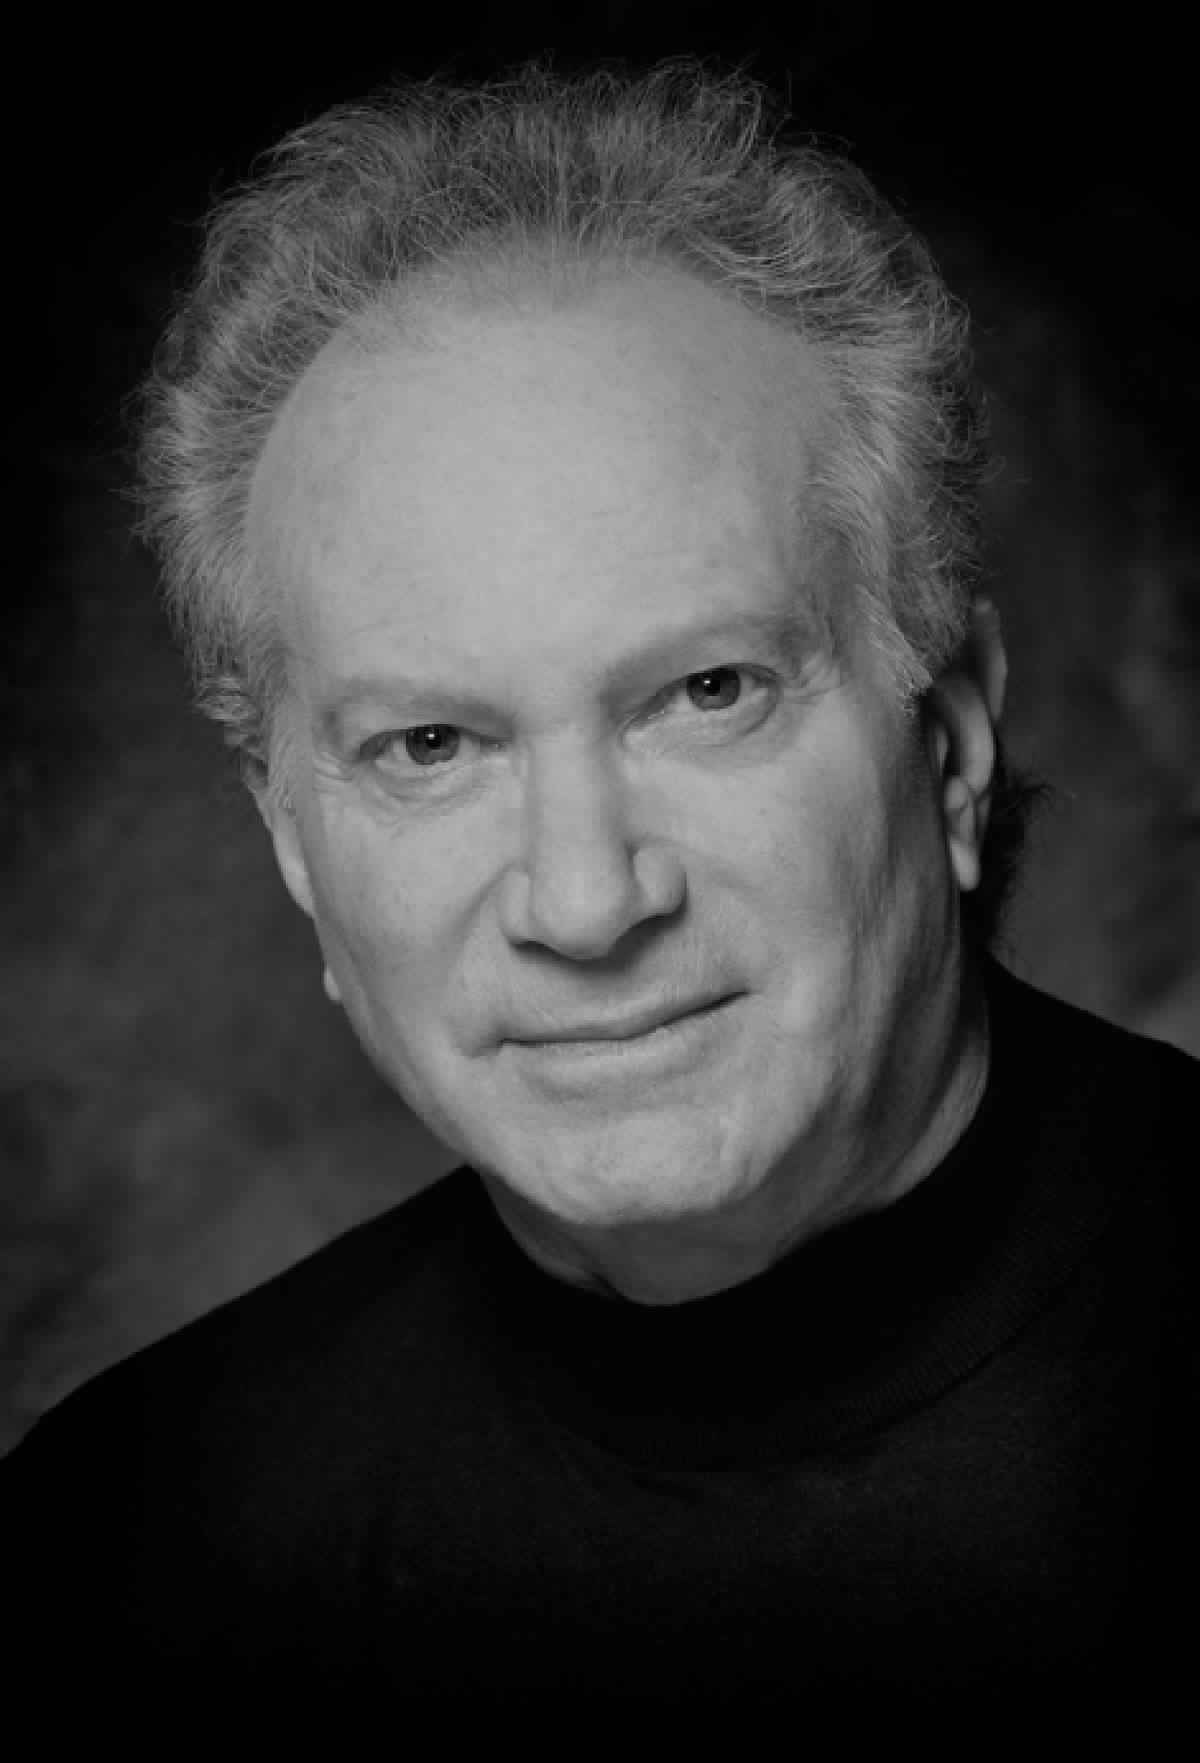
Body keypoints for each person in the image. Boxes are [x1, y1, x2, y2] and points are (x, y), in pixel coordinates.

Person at [5, 57, 1196, 1716]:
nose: (584, 902)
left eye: (707, 692)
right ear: (292, 843)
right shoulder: (107, 1547)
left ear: (954, 739)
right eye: (430, 744)